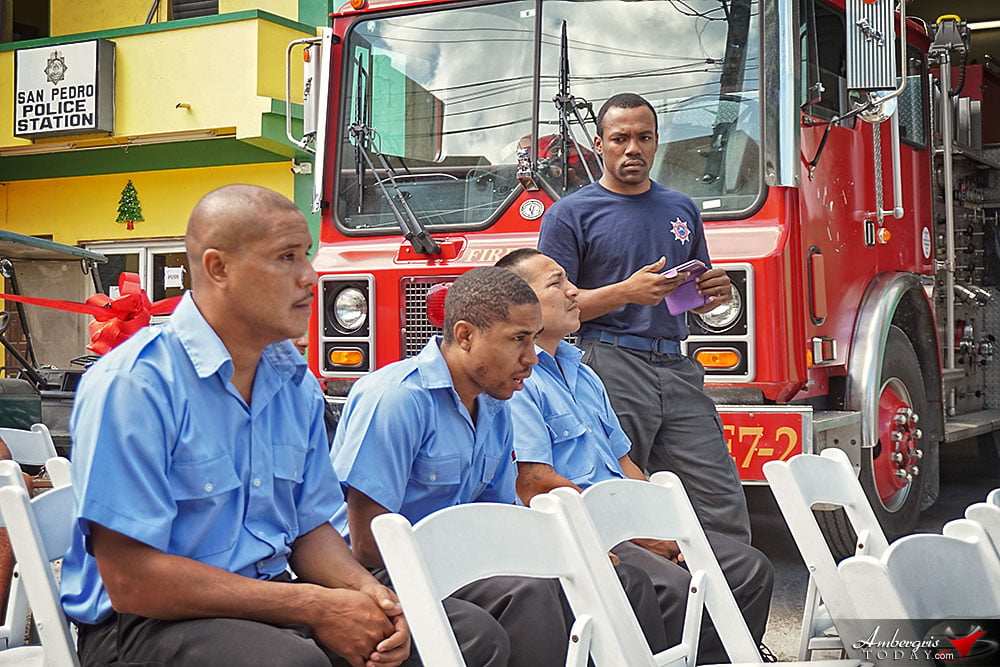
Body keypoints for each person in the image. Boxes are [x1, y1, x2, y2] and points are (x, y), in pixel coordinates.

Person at [60, 185, 413, 667]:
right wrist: (314, 606)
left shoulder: (293, 383)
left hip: (266, 602)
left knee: (455, 632)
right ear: (218, 268)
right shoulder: (136, 385)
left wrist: (373, 600)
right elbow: (132, 581)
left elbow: (309, 527)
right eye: (287, 257)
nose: (310, 277)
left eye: (305, 255)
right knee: (293, 663)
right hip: (143, 626)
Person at [330, 266, 667, 667]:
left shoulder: (494, 405)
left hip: (460, 561)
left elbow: (498, 513)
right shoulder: (396, 400)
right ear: (465, 335)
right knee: (529, 594)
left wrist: (567, 547)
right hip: (382, 573)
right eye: (518, 340)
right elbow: (368, 544)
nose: (530, 358)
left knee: (616, 579)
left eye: (534, 339)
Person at [496, 248, 774, 663]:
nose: (574, 292)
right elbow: (534, 482)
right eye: (557, 284)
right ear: (518, 303)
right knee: (672, 589)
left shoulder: (584, 372)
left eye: (569, 281)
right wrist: (632, 532)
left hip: (628, 524)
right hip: (587, 531)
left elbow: (625, 463)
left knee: (748, 569)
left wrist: (662, 526)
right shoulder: (517, 381)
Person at [537, 92, 751, 543]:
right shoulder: (569, 215)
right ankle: (647, 605)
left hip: (678, 366)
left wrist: (714, 292)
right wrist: (626, 293)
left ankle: (724, 604)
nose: (632, 148)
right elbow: (547, 313)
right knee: (623, 503)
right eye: (619, 139)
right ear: (598, 144)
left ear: (656, 143)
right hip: (609, 367)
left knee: (720, 503)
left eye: (643, 137)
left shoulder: (682, 208)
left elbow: (691, 298)